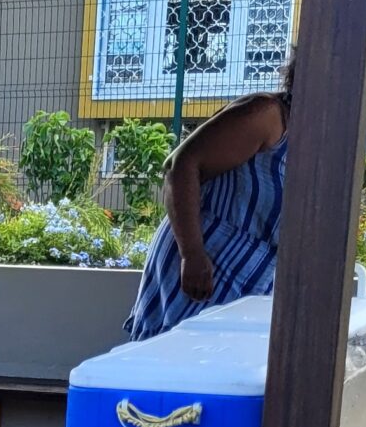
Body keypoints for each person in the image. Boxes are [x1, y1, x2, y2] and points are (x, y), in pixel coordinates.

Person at [124, 77, 290, 341]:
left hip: (248, 287)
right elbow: (181, 165)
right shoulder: (268, 116)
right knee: (166, 355)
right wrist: (192, 254)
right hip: (201, 268)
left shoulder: (318, 142)